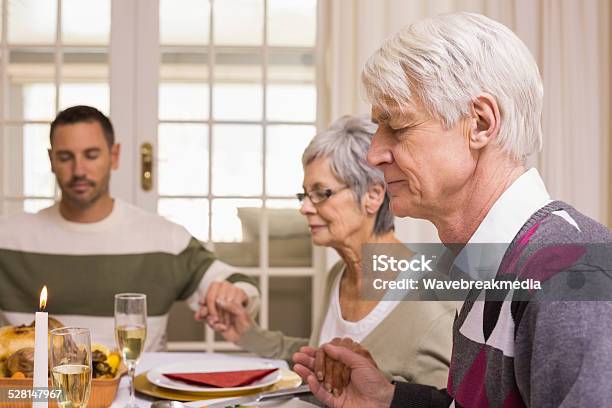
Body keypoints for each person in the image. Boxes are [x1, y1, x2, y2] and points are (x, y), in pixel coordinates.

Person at [292, 12, 612, 407]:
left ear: (480, 123)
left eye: (399, 127)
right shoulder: (488, 264)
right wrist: (388, 399)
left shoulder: (569, 274)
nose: (374, 154)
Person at [201, 115, 457, 390]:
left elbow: (449, 400)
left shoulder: (431, 298)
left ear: (373, 195)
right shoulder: (338, 274)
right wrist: (249, 335)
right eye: (304, 195)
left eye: (321, 193)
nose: (305, 208)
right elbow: (321, 360)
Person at [0, 105, 259, 350]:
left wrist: (234, 293)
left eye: (91, 155)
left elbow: (240, 284)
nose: (79, 170)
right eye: (66, 157)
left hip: (137, 392)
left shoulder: (164, 238)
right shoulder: (8, 239)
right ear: (51, 160)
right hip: (30, 393)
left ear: (114, 156)